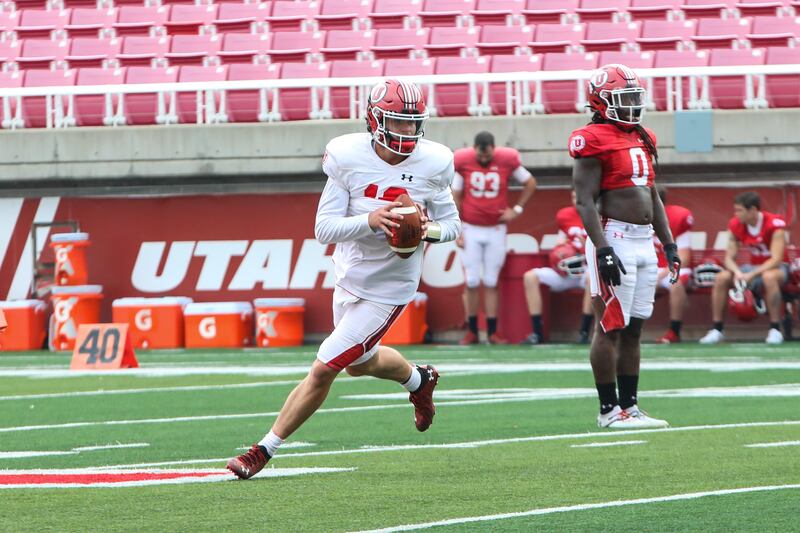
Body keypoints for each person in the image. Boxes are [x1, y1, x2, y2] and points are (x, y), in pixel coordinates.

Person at [226, 79, 461, 480]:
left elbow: (452, 226)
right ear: (374, 120)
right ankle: (420, 380)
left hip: (390, 287)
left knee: (324, 368)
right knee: (359, 364)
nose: (406, 132)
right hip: (350, 274)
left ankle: (262, 450)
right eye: (397, 123)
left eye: (412, 124)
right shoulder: (346, 156)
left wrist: (426, 231)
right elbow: (324, 229)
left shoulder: (435, 162)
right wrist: (371, 220)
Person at [570, 64, 679, 429]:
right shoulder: (591, 137)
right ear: (600, 102)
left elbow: (652, 195)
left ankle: (630, 407)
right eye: (623, 99)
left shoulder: (644, 135)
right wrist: (601, 249)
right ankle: (607, 411)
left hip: (643, 241)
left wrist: (669, 243)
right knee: (609, 326)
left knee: (634, 328)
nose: (631, 105)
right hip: (612, 236)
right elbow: (584, 201)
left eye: (634, 98)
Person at [451, 131, 538, 345]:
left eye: (486, 155)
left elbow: (530, 182)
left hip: (496, 229)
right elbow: (455, 194)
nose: (482, 160)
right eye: (479, 156)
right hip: (470, 227)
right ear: (474, 149)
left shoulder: (507, 159)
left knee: (490, 281)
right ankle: (472, 331)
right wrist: (458, 227)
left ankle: (491, 332)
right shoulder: (463, 161)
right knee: (471, 281)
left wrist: (516, 209)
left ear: (493, 148)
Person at [699, 191, 790, 345]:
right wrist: (737, 272)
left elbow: (776, 259)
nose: (736, 214)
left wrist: (752, 274)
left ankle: (775, 329)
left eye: (740, 210)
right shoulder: (736, 225)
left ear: (753, 210)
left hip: (778, 269)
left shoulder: (774, 224)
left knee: (769, 277)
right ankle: (717, 329)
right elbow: (728, 257)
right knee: (722, 278)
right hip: (752, 268)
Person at [521, 190, 594, 345]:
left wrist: (584, 248)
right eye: (574, 196)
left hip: (587, 269)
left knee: (591, 278)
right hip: (567, 270)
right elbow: (560, 242)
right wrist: (560, 253)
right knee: (530, 276)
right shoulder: (565, 215)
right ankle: (537, 333)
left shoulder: (598, 215)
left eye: (579, 196)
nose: (576, 200)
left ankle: (584, 332)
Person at [654, 187, 694, 344]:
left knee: (675, 282)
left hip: (671, 268)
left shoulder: (677, 217)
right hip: (647, 266)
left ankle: (674, 330)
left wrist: (660, 274)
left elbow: (683, 257)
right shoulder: (633, 217)